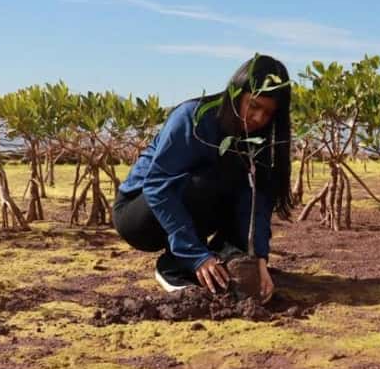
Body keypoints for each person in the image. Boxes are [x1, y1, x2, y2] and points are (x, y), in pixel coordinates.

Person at [112, 54, 293, 302]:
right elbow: (158, 186)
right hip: (140, 213)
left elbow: (257, 202)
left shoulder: (258, 140)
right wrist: (195, 255)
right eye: (254, 106)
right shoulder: (193, 117)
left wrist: (259, 257)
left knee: (250, 188)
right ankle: (174, 266)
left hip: (187, 208)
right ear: (236, 94)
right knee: (211, 180)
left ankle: (225, 258)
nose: (259, 118)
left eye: (269, 113)